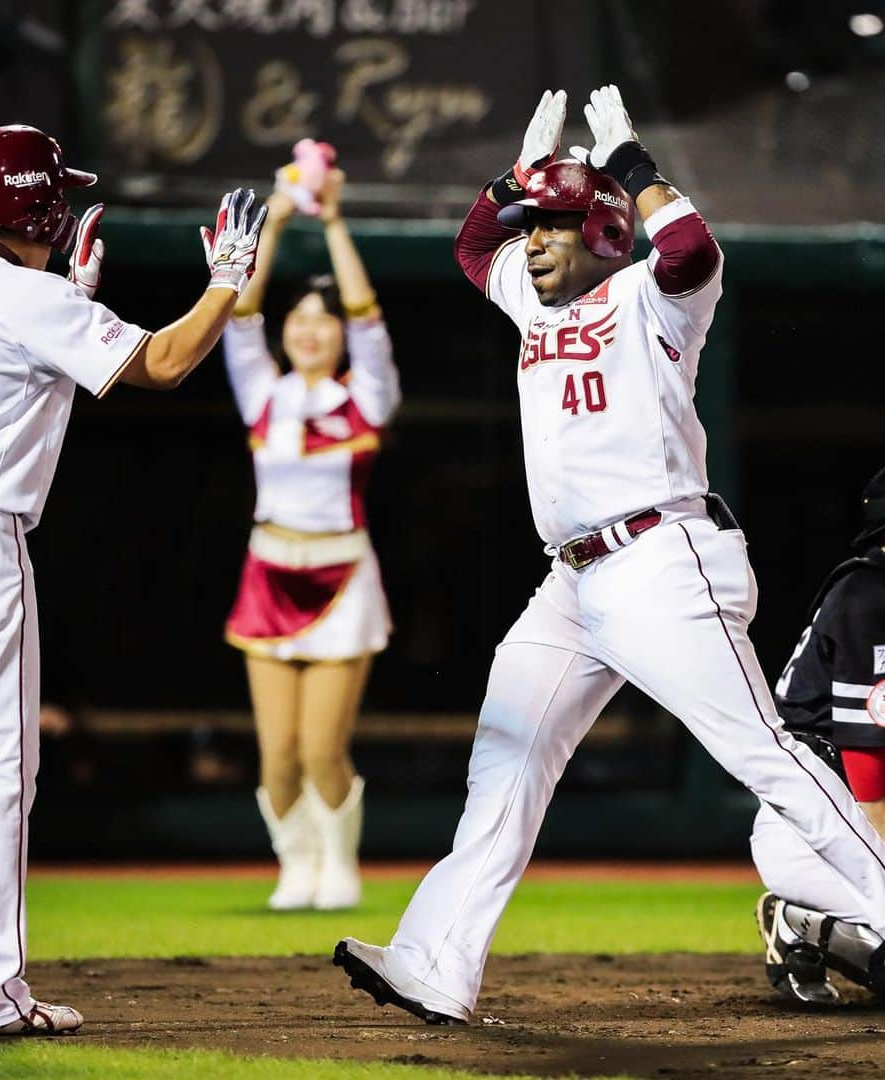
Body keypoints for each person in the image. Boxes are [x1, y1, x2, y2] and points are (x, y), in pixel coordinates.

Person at [332, 86, 885, 1024]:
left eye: (550, 225)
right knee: (507, 756)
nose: (531, 240)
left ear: (601, 233)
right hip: (573, 580)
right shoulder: (531, 302)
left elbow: (693, 249)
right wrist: (515, 175)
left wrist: (630, 165)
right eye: (530, 226)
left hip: (665, 557)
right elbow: (473, 248)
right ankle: (438, 964)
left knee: (765, 758)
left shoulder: (652, 298)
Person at [0, 124, 265, 1034]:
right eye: (55, 196)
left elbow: (4, 386)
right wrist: (228, 282)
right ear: (34, 207)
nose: (66, 207)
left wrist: (67, 296)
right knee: (1, 773)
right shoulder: (17, 296)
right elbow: (159, 362)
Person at [222, 163, 400, 911]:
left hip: (341, 578)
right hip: (270, 570)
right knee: (278, 755)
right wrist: (282, 219)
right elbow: (240, 315)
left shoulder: (364, 397)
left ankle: (339, 865)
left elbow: (366, 315)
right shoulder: (263, 393)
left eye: (322, 324)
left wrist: (329, 219)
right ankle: (295, 865)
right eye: (299, 322)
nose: (310, 330)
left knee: (325, 748)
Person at [752, 466, 885, 1003]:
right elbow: (866, 773)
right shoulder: (870, 597)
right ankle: (801, 924)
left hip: (852, 821)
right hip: (817, 828)